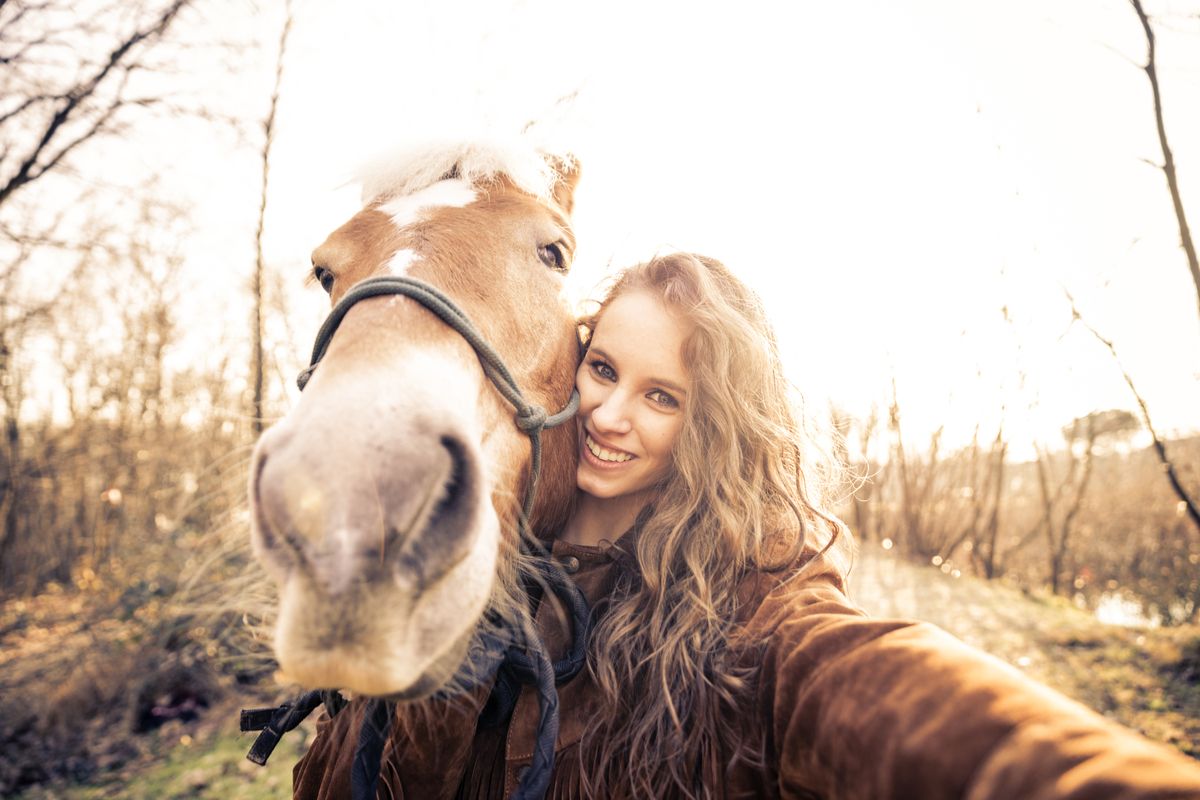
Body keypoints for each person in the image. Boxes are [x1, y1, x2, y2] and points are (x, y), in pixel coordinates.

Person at [292, 252, 1200, 799]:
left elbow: (864, 686)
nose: (610, 416)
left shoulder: (752, 599)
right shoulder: (462, 542)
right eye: (602, 368)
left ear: (711, 426)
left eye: (663, 398)